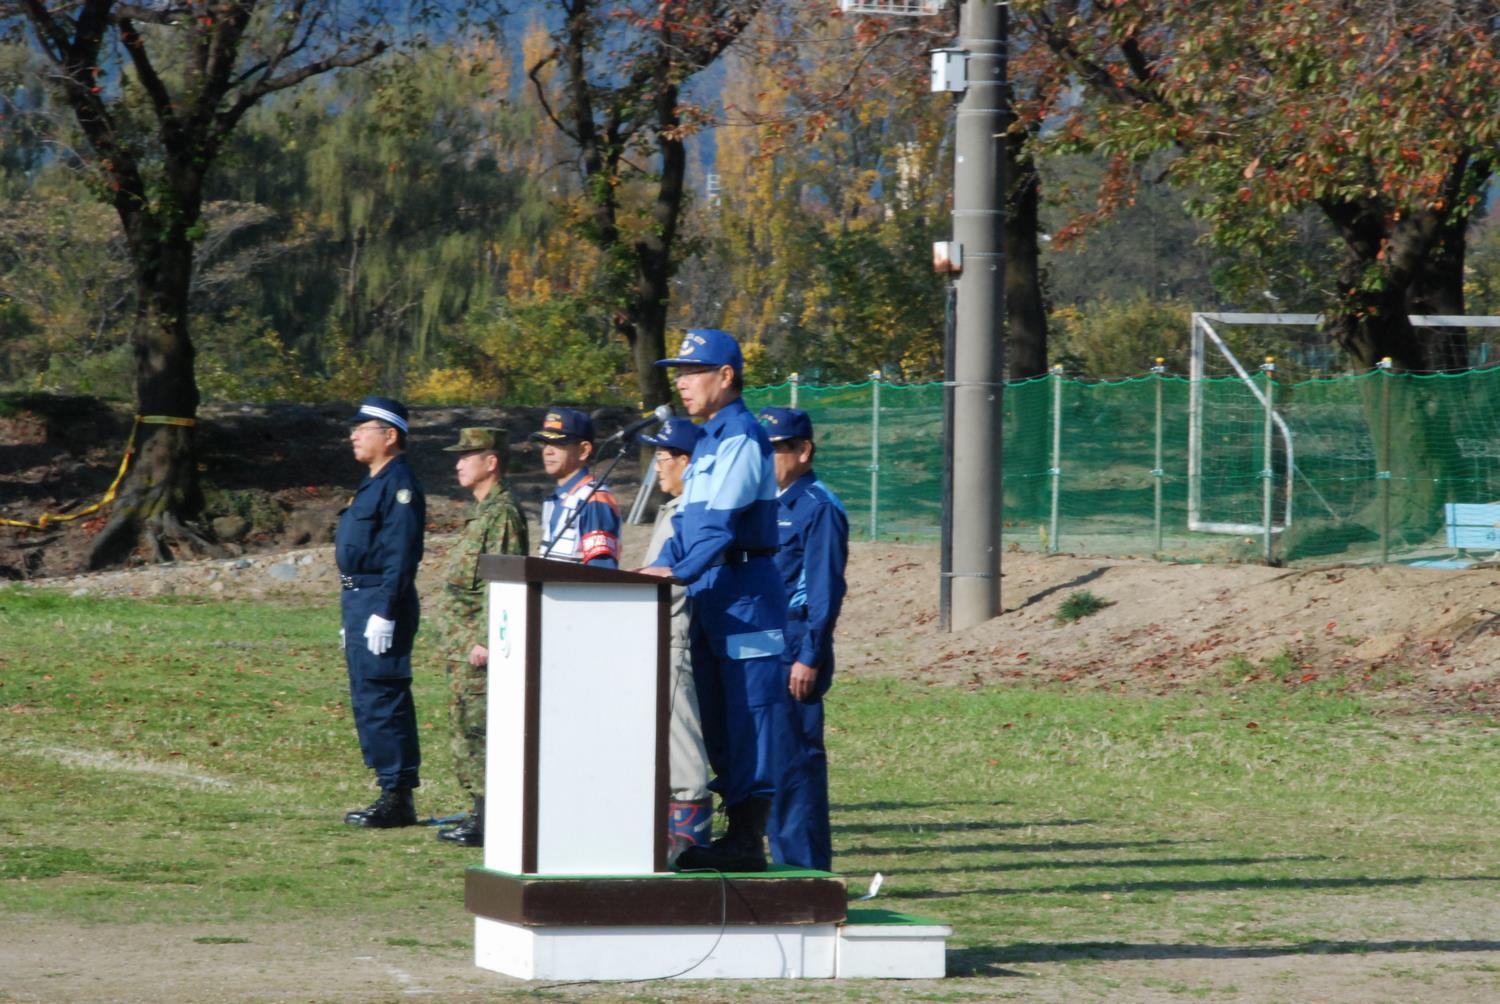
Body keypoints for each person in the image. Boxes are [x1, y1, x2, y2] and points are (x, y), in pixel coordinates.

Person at [639, 329, 788, 873]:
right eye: (677, 372)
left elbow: (720, 527)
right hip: (711, 589)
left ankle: (749, 838)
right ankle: (732, 838)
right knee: (719, 718)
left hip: (745, 591)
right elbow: (690, 523)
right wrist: (658, 567)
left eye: (693, 371)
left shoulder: (742, 438)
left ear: (726, 376)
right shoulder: (706, 441)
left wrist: (673, 570)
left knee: (750, 713)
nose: (682, 382)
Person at [758, 407, 849, 872]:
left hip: (795, 654)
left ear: (803, 450)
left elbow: (822, 588)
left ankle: (806, 875)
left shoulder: (818, 507)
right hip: (763, 650)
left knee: (796, 769)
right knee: (770, 769)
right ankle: (780, 867)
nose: (767, 457)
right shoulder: (768, 502)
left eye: (776, 448)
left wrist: (809, 655)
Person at [430, 427, 529, 848]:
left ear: (491, 462)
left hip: (478, 647)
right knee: (465, 730)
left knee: (479, 731)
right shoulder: (482, 512)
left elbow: (501, 581)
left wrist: (489, 639)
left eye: (467, 455)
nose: (458, 462)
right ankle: (479, 813)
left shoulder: (501, 514)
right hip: (462, 644)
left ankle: (490, 818)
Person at [336, 396, 426, 828]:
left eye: (363, 428)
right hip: (359, 600)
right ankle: (386, 785)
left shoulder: (398, 483)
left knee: (384, 696)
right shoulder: (374, 481)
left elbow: (400, 553)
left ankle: (398, 793)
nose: (353, 435)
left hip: (379, 599)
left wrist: (385, 610)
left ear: (390, 436)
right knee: (367, 696)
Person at [638, 417, 712, 864]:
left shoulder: (691, 512)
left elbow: (677, 579)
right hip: (652, 637)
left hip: (673, 636)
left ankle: (689, 840)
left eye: (663, 459)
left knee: (679, 739)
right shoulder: (672, 509)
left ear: (687, 462)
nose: (657, 469)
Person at [530, 407, 620, 567]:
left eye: (558, 443)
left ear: (583, 450)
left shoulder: (594, 500)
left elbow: (601, 574)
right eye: (545, 443)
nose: (547, 451)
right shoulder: (555, 499)